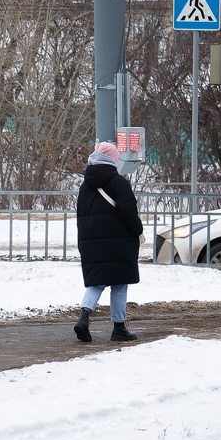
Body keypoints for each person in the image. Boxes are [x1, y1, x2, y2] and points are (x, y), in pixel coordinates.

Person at [74, 141, 143, 342]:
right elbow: (128, 213)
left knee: (96, 283)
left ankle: (84, 317)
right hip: (118, 242)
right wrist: (138, 230)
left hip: (91, 242)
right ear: (113, 160)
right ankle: (119, 327)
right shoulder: (119, 183)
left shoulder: (85, 186)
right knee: (119, 284)